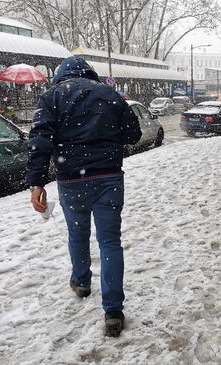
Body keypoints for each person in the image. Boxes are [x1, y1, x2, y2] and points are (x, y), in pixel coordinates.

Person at [26, 56, 142, 337]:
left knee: (77, 234)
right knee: (110, 241)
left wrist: (36, 183)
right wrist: (107, 135)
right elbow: (134, 134)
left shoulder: (52, 97)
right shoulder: (111, 95)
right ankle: (113, 310)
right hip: (109, 178)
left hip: (71, 181)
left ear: (60, 76)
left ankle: (81, 281)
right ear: (90, 73)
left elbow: (40, 142)